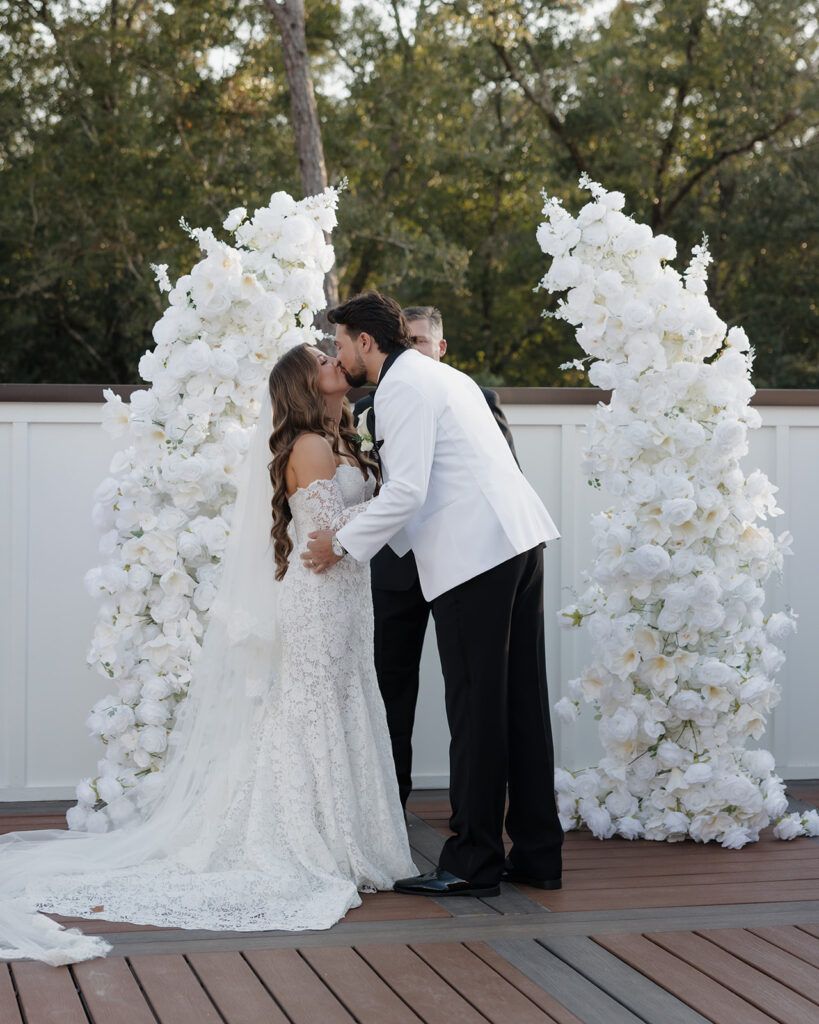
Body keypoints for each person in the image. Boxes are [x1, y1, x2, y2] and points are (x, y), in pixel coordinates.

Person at [0, 343, 415, 966]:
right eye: (324, 361)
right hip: (320, 599)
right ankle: (317, 840)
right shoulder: (309, 446)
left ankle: (344, 835)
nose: (337, 363)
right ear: (307, 384)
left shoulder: (341, 438)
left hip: (349, 598)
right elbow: (328, 539)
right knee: (312, 707)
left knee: (340, 699)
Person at [305, 291, 563, 898]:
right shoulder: (442, 376)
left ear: (365, 342)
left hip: (476, 555)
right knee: (521, 704)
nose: (336, 356)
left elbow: (407, 492)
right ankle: (537, 853)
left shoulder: (400, 388)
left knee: (475, 708)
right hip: (518, 543)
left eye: (339, 344)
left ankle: (473, 862)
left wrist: (337, 542)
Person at [353, 306, 518, 809]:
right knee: (389, 692)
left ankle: (468, 816)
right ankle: (388, 807)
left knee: (466, 692)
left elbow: (491, 474)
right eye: (409, 340)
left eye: (422, 341)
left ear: (440, 348)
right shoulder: (365, 403)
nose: (415, 349)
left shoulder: (471, 395)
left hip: (457, 560)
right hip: (394, 567)